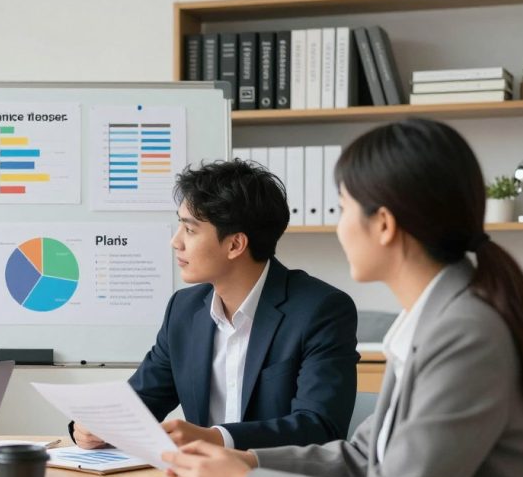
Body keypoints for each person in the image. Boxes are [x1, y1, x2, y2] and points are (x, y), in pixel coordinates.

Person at [163, 119, 523, 477]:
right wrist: (251, 462)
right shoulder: (435, 319)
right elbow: (362, 455)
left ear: (384, 225)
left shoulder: (466, 335)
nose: (338, 229)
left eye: (341, 209)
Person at [73, 159, 359, 451]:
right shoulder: (184, 310)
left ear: (235, 245)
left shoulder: (320, 310)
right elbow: (140, 403)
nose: (175, 241)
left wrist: (216, 438)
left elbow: (320, 427)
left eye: (190, 230)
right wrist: (91, 427)